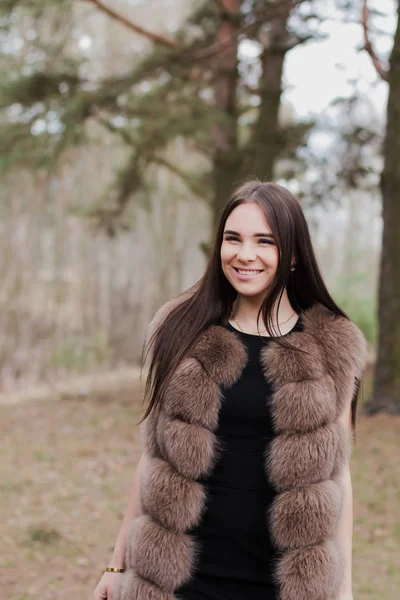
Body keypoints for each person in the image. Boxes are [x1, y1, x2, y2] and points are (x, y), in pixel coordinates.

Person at [93, 181, 367, 600]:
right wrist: (117, 565)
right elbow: (153, 458)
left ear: (293, 254)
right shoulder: (180, 331)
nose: (245, 255)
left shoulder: (333, 347)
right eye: (233, 239)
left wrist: (343, 590)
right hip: (178, 584)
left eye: (265, 241)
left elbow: (339, 478)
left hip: (280, 586)